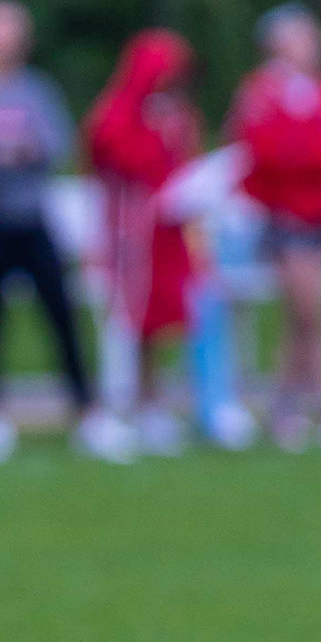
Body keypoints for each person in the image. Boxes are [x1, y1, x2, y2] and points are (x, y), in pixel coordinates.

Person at [0, 0, 115, 462]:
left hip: (32, 217)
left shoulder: (35, 89)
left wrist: (27, 150)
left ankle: (87, 411)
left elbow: (59, 143)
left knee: (62, 314)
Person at [231, 2, 321, 453]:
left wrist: (305, 149)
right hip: (284, 217)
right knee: (309, 309)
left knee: (301, 316)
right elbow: (264, 151)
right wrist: (307, 149)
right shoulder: (260, 91)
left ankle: (287, 405)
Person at [84, 28, 202, 454]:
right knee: (122, 321)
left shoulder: (176, 114)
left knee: (154, 324)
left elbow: (183, 163)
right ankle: (111, 408)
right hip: (126, 236)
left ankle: (149, 403)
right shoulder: (117, 111)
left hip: (163, 234)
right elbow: (111, 155)